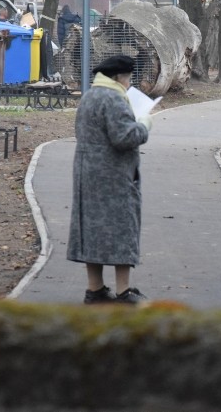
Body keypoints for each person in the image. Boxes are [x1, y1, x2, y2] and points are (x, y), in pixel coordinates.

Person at [67, 55, 153, 304]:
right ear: (119, 77)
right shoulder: (114, 98)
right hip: (113, 176)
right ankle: (123, 292)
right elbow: (124, 137)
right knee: (121, 230)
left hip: (88, 173)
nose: (129, 84)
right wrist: (144, 125)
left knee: (92, 231)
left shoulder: (89, 96)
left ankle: (95, 290)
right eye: (128, 79)